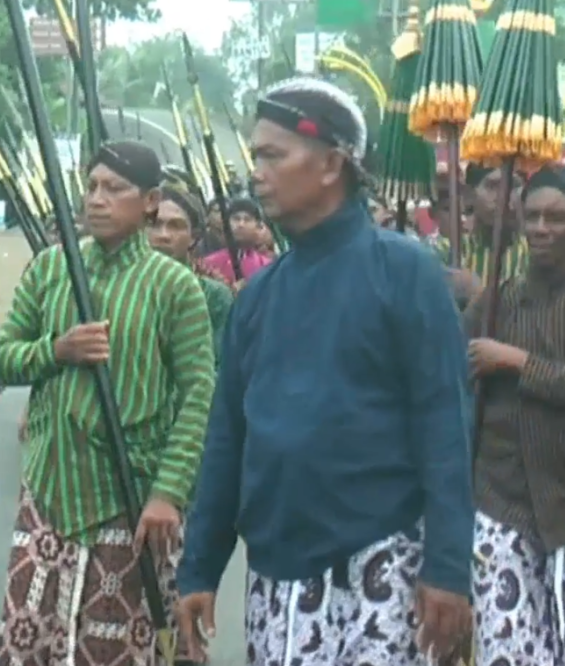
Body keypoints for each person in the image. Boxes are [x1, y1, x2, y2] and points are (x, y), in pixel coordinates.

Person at [176, 78, 474, 664]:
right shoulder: (256, 298)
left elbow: (445, 427)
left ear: (333, 162)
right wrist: (199, 568)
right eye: (255, 156)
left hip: (383, 567)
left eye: (272, 155)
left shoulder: (404, 273)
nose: (255, 172)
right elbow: (227, 442)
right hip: (276, 579)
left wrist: (448, 566)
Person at [0, 140, 216, 665]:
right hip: (49, 488)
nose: (97, 199)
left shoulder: (176, 287)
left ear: (151, 201)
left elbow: (198, 393)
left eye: (115, 189)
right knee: (31, 635)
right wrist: (57, 350)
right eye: (91, 187)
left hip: (132, 496)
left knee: (122, 643)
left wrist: (168, 491)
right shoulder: (51, 268)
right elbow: (2, 359)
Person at [464, 165, 565, 664]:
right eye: (531, 215)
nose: (540, 228)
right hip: (500, 504)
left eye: (556, 218)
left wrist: (518, 363)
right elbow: (449, 375)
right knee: (506, 651)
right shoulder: (497, 301)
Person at [149, 183, 234, 365]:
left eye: (175, 226)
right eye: (154, 225)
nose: (163, 235)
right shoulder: (124, 290)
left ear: (193, 237)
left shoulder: (214, 296)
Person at [434, 164, 528, 284]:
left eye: (512, 186)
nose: (503, 196)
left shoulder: (532, 252)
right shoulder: (447, 252)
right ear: (470, 195)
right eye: (492, 186)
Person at [199, 197, 275, 285]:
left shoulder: (268, 266)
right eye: (236, 219)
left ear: (257, 226)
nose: (241, 224)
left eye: (247, 219)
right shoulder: (208, 264)